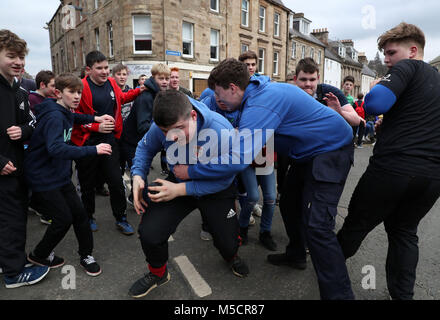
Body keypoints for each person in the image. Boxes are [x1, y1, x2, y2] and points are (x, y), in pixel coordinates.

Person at [174, 58, 355, 300]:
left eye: (220, 94)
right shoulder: (253, 95)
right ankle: (296, 254)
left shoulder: (261, 103)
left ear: (233, 88)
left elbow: (238, 159)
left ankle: (340, 297)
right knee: (289, 204)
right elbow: (235, 135)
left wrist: (191, 172)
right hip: (308, 154)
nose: (218, 101)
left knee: (318, 226)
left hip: (331, 150)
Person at [337, 22, 440, 300]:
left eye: (391, 52)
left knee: (357, 223)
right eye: (384, 54)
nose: (386, 60)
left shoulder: (407, 67)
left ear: (413, 50)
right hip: (431, 176)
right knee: (404, 231)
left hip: (393, 169)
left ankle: (330, 270)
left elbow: (374, 105)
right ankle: (402, 295)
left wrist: (377, 86)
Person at [129, 90, 249, 298]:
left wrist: (179, 189)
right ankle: (158, 273)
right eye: (166, 132)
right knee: (150, 232)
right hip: (179, 181)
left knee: (227, 243)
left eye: (178, 130)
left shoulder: (221, 131)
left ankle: (232, 256)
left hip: (216, 188)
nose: (172, 137)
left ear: (193, 116)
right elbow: (144, 147)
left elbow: (225, 178)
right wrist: (138, 174)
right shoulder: (165, 123)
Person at [24, 73, 115, 276]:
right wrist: (94, 149)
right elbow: (55, 148)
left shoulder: (63, 111)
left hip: (59, 175)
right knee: (63, 219)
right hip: (43, 177)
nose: (76, 96)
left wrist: (95, 118)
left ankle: (86, 255)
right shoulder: (55, 116)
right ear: (58, 93)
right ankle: (39, 254)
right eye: (71, 92)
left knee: (80, 215)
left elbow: (75, 117)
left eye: (79, 92)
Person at [71, 50, 143, 234]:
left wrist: (139, 90)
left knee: (116, 182)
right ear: (88, 69)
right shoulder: (81, 87)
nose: (104, 72)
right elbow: (74, 116)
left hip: (110, 141)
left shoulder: (111, 83)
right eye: (99, 68)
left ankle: (121, 218)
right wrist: (96, 126)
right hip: (87, 142)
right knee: (87, 185)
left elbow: (122, 98)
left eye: (106, 68)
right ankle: (88, 216)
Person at [0, 29, 50, 288]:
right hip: (3, 170)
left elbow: (31, 124)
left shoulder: (18, 90)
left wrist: (24, 130)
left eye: (21, 57)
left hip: (17, 167)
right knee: (11, 221)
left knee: (13, 218)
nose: (18, 62)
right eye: (11, 56)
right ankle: (14, 273)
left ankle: (7, 261)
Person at [120, 63, 170, 203]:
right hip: (130, 142)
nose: (165, 81)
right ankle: (142, 204)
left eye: (167, 78)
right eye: (161, 78)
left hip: (138, 141)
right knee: (140, 176)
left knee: (143, 174)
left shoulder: (158, 94)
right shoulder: (146, 97)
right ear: (153, 78)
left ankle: (133, 197)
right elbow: (143, 126)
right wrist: (165, 129)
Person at [27, 70, 57, 225]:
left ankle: (37, 206)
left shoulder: (45, 99)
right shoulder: (32, 100)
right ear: (42, 85)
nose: (55, 89)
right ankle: (45, 212)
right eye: (52, 86)